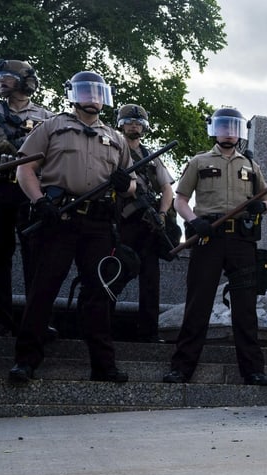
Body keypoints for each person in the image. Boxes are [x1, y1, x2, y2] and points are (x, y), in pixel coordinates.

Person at [7, 70, 136, 384]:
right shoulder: (52, 126)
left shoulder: (117, 138)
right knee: (43, 289)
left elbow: (132, 184)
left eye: (97, 92)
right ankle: (26, 360)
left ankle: (103, 365)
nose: (92, 98)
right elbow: (25, 169)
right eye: (85, 92)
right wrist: (39, 202)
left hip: (98, 223)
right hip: (59, 218)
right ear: (73, 94)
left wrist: (126, 184)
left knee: (99, 293)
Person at [162, 107, 267, 385]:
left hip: (241, 241)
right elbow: (181, 200)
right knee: (198, 303)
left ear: (239, 132)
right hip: (207, 237)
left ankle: (253, 370)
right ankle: (182, 368)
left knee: (245, 307)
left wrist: (262, 206)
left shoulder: (250, 165)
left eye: (233, 127)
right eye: (223, 126)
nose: (228, 132)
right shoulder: (199, 161)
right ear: (215, 129)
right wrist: (193, 221)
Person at [0, 58, 54, 337]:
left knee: (37, 256)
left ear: (24, 81)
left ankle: (37, 321)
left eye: (6, 76)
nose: (1, 81)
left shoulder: (46, 117)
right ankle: (1, 321)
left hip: (30, 189)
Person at [114, 104, 176, 343]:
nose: (134, 125)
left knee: (151, 279)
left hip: (148, 223)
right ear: (121, 123)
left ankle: (148, 331)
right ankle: (103, 325)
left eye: (138, 122)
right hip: (121, 222)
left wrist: (161, 214)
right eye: (129, 121)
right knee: (116, 271)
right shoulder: (113, 148)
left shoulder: (151, 157)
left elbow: (167, 189)